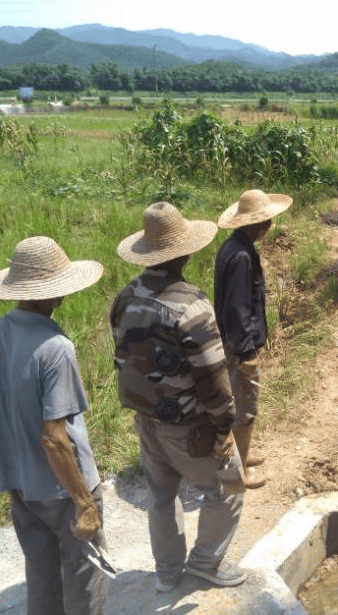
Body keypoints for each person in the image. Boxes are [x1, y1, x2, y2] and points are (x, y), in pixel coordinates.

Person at [110, 201, 245, 593]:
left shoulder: (125, 296)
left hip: (146, 419)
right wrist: (224, 427)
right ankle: (205, 562)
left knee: (161, 496)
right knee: (228, 489)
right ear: (185, 252)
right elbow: (213, 376)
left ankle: (167, 573)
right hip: (190, 426)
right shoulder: (191, 305)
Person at [0, 236, 108, 615]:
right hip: (65, 489)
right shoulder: (55, 347)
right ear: (55, 292)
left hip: (21, 485)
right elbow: (55, 438)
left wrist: (10, 463)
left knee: (41, 573)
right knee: (85, 577)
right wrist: (84, 502)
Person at [214, 189, 293, 490]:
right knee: (245, 408)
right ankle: (240, 471)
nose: (269, 226)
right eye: (265, 221)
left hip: (231, 341)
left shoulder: (232, 248)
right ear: (250, 224)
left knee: (242, 402)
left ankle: (241, 455)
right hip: (238, 346)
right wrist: (246, 352)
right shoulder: (243, 257)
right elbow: (236, 308)